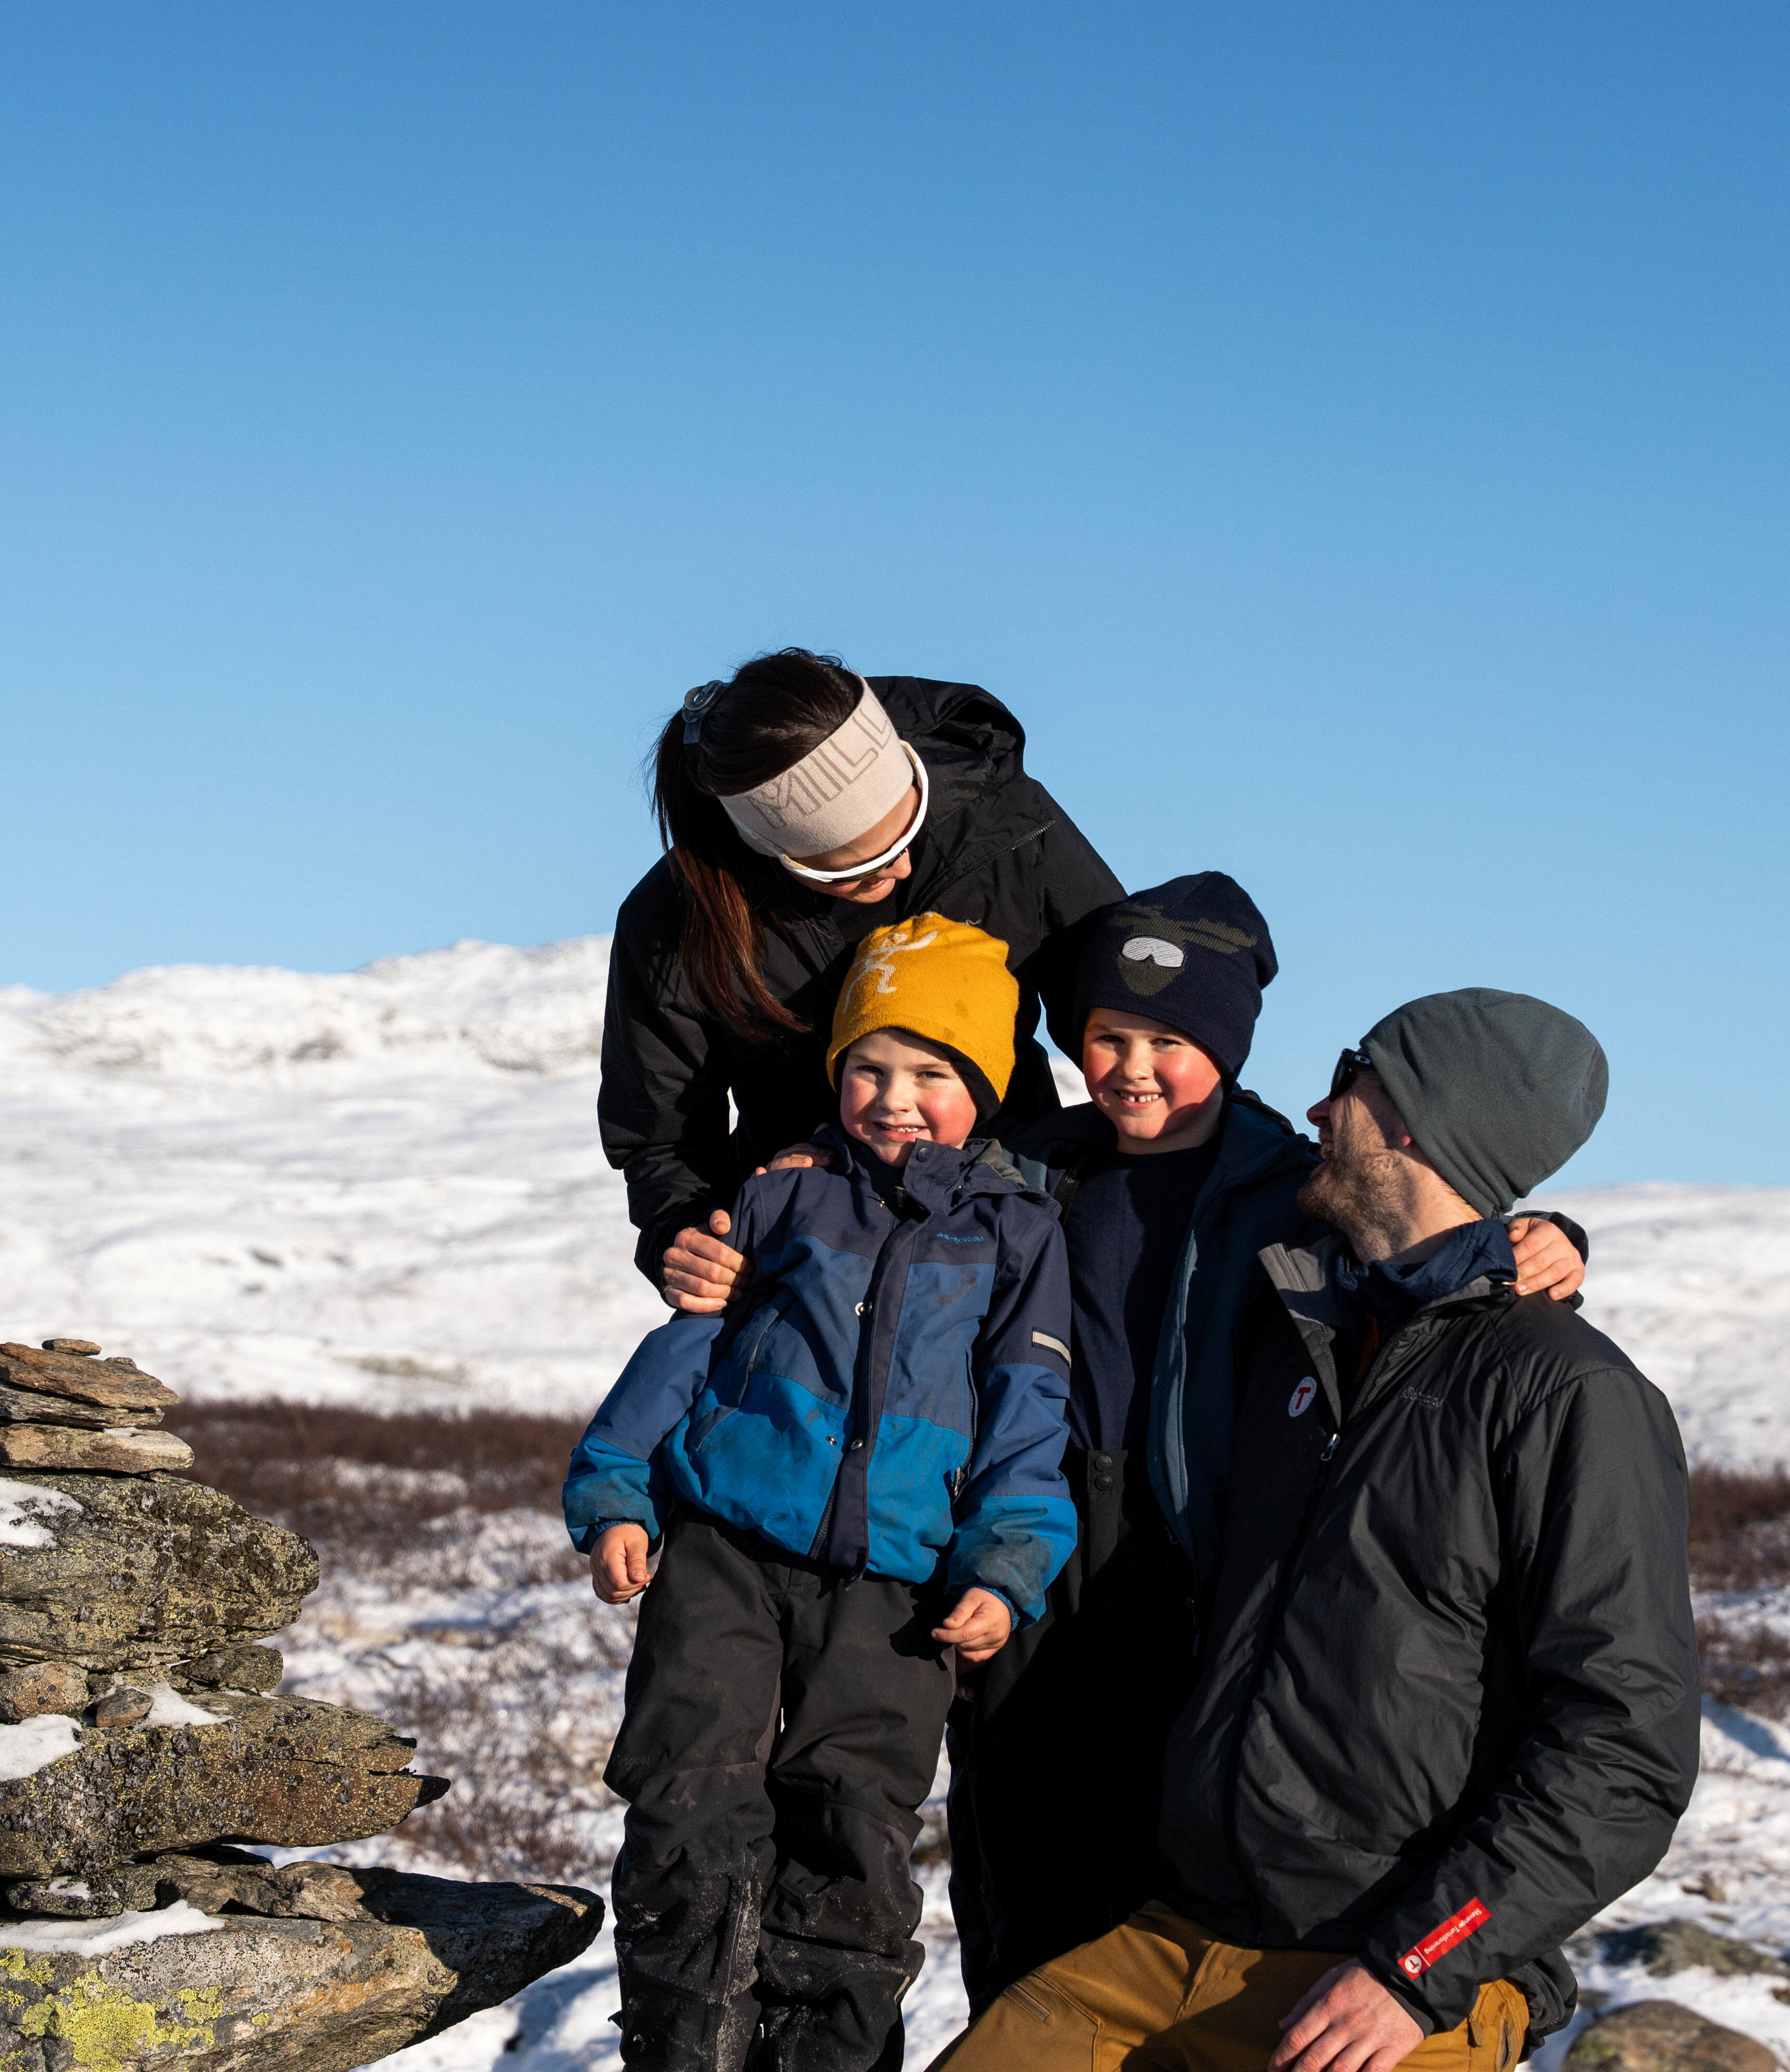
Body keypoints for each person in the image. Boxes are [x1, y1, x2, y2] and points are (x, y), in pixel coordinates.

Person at [930, 988, 1699, 2072]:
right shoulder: (1299, 1341)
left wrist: (1413, 1967)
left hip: (1396, 1968)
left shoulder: (1564, 1392)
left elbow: (1628, 1748)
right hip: (1188, 1926)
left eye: (1350, 1082)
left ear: (1416, 1124)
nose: (1315, 1106)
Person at [564, 914, 1078, 2072]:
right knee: (688, 1795)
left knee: (852, 1830)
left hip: (897, 1586)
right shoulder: (783, 1193)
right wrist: (614, 1487)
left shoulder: (1017, 1233)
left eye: (933, 1072)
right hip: (725, 1553)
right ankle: (681, 2047)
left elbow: (1027, 1411)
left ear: (985, 1084)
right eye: (869, 1067)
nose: (896, 1097)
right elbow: (686, 1347)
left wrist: (1005, 1563)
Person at [601, 649, 1121, 1303]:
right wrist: (683, 1235)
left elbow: (1128, 1008)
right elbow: (662, 1134)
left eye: (908, 833)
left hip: (1012, 1222)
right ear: (773, 851)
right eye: (860, 867)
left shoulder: (1003, 821)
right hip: (803, 1255)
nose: (900, 870)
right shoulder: (674, 922)